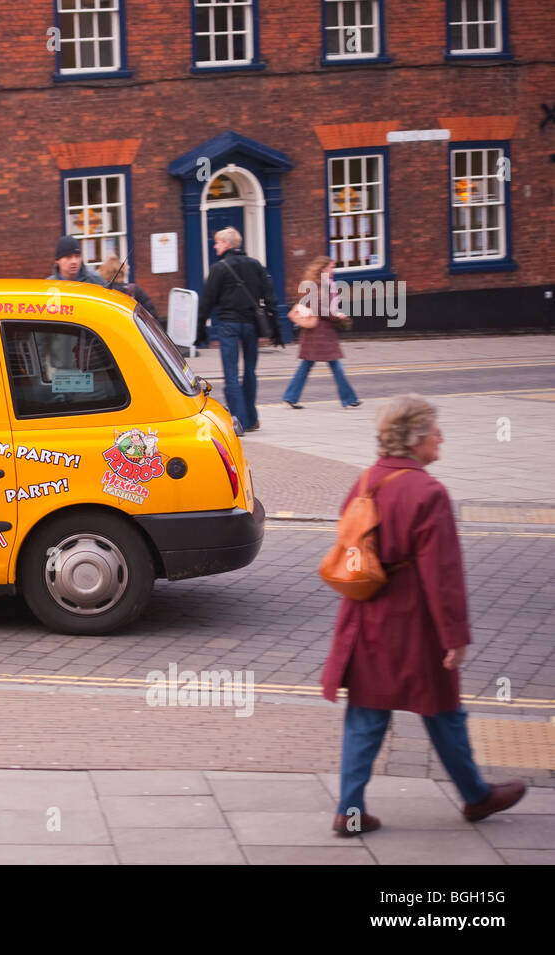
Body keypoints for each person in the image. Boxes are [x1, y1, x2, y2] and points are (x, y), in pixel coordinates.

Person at [320, 395, 525, 836]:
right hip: (415, 624)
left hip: (366, 618)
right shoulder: (429, 492)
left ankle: (349, 810)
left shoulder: (367, 481)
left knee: (366, 715)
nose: (441, 438)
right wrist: (455, 635)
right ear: (415, 439)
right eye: (435, 431)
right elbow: (443, 574)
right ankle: (475, 795)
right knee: (443, 710)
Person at [197, 227, 279, 432]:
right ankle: (251, 418)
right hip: (251, 325)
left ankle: (239, 420)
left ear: (226, 244)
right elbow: (269, 296)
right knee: (250, 371)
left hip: (228, 326)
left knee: (231, 374)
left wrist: (200, 329)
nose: (215, 246)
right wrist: (276, 326)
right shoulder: (256, 265)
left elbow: (207, 302)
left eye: (217, 242)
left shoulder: (219, 268)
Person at [282, 256, 361, 410]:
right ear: (323, 269)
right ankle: (349, 399)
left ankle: (290, 397)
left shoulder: (321, 284)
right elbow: (321, 309)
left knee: (308, 365)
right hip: (320, 334)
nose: (333, 270)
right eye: (331, 267)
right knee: (335, 366)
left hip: (318, 333)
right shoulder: (321, 286)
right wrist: (337, 316)